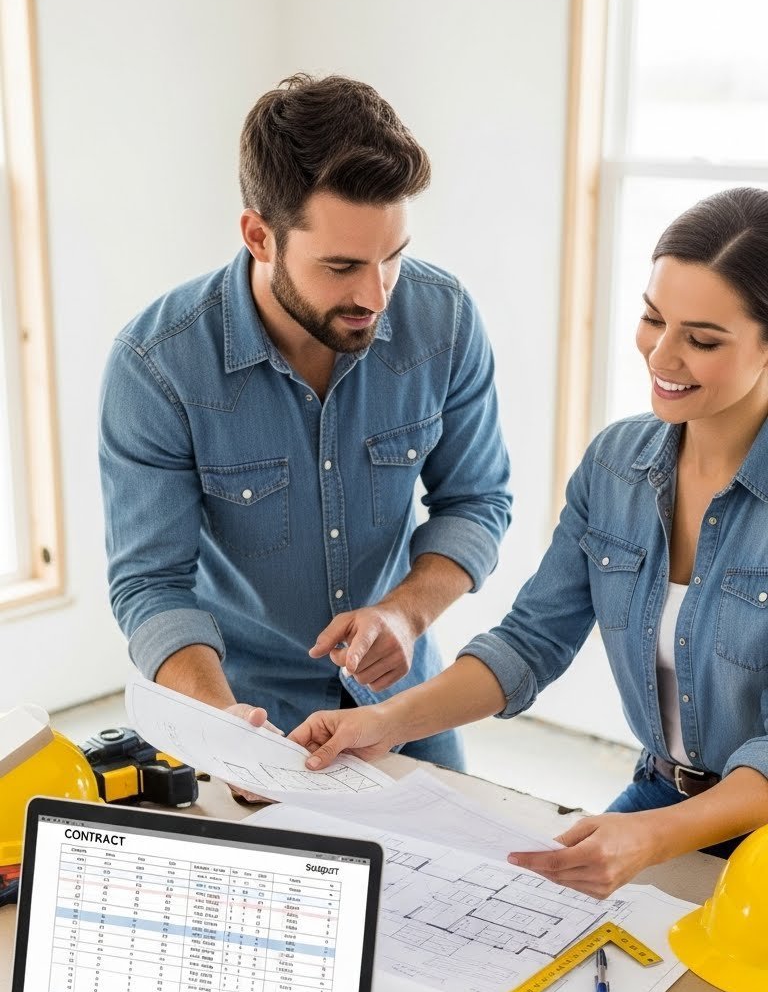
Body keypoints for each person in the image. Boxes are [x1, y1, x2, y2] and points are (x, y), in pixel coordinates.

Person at [290, 186, 768, 895]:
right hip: (660, 797)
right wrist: (383, 723)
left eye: (701, 339)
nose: (661, 355)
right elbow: (530, 642)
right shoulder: (616, 467)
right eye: (651, 317)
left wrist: (651, 837)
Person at [99, 74, 511, 776]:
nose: (377, 294)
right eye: (343, 265)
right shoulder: (156, 365)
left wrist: (405, 614)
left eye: (394, 256)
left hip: (401, 708)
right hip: (248, 717)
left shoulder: (445, 321)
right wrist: (221, 723)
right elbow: (151, 583)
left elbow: (477, 502)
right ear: (260, 235)